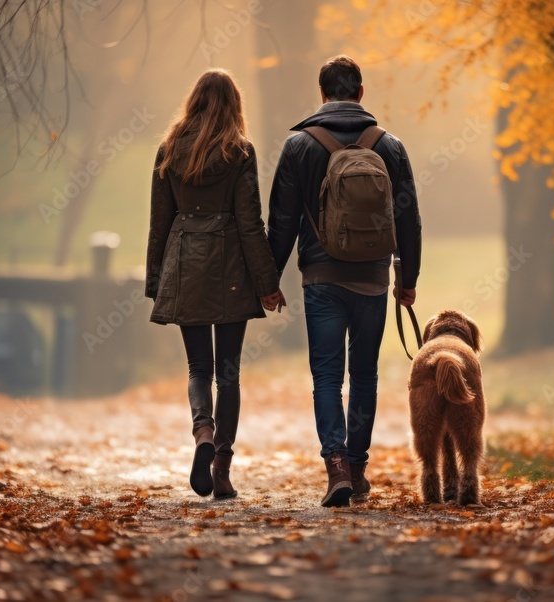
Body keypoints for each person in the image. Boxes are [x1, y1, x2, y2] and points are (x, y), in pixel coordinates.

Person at [267, 55, 422, 507]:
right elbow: (409, 218)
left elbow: (281, 221)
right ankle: (356, 467)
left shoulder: (300, 146)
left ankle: (334, 464)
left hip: (321, 278)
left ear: (322, 95)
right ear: (360, 93)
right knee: (366, 374)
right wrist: (406, 279)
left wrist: (268, 280)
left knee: (327, 376)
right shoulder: (389, 146)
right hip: (373, 279)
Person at [145, 69, 284, 500]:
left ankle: (202, 430)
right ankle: (222, 469)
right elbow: (250, 224)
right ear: (234, 106)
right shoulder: (240, 153)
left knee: (198, 368)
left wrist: (156, 280)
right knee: (229, 373)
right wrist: (267, 283)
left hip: (184, 265)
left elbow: (159, 223)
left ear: (194, 101)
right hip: (229, 270)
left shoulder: (169, 150)